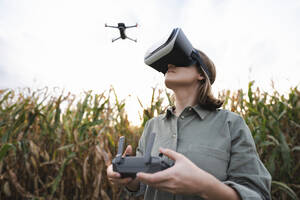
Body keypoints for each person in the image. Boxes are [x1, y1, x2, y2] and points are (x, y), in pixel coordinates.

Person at [107, 37, 272, 199]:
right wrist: (126, 176)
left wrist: (204, 186)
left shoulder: (231, 124)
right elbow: (140, 185)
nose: (170, 65)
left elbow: (257, 194)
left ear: (201, 74)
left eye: (180, 61)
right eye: (168, 64)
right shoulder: (152, 126)